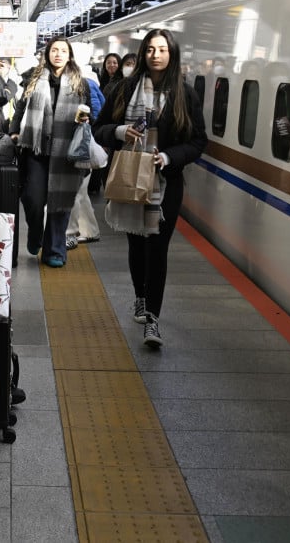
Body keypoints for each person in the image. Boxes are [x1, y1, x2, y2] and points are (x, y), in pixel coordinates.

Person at [94, 29, 206, 347]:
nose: (156, 55)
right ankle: (140, 295)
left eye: (162, 49)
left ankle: (152, 319)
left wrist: (169, 156)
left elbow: (199, 140)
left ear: (172, 54)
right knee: (137, 244)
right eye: (150, 49)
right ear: (143, 54)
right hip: (129, 177)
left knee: (157, 248)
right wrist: (119, 132)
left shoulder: (185, 94)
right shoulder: (124, 89)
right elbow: (98, 128)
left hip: (166, 182)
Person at [10, 37, 91, 268]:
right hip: (37, 150)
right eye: (54, 50)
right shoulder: (33, 79)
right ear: (47, 53)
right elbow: (20, 109)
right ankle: (35, 234)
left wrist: (86, 120)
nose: (58, 54)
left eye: (63, 50)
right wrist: (15, 132)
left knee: (61, 201)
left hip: (66, 152)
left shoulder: (80, 83)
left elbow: (91, 114)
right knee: (33, 199)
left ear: (69, 55)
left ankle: (54, 251)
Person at [65, 65, 105, 248]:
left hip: (81, 143)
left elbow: (97, 112)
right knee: (80, 192)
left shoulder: (85, 85)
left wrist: (87, 124)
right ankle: (90, 230)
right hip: (74, 144)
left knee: (77, 191)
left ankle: (71, 233)